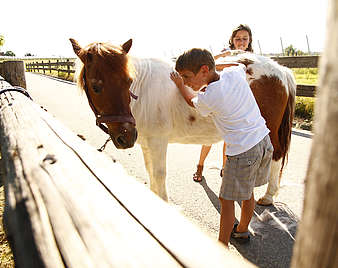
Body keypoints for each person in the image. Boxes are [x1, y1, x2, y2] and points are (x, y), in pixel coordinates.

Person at [170, 48, 273, 246]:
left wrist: (178, 85)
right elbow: (239, 65)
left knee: (226, 201)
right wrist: (216, 63)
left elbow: (192, 101)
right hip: (262, 140)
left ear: (203, 70)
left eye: (186, 76)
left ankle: (221, 248)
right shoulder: (233, 74)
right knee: (247, 190)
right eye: (181, 77)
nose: (185, 81)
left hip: (243, 151)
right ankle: (242, 230)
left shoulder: (210, 97)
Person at [193, 24, 254, 182]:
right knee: (209, 136)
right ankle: (200, 166)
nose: (241, 42)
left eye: (244, 39)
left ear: (249, 40)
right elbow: (206, 63)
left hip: (237, 104)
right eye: (238, 38)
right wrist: (224, 55)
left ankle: (225, 168)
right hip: (220, 99)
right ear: (232, 40)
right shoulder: (226, 55)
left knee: (229, 138)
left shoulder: (252, 58)